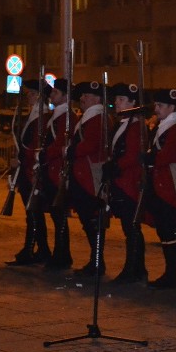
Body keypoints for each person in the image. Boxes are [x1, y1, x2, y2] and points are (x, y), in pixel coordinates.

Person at [144, 89, 176, 289]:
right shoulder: (164, 125)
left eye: (160, 106)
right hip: (160, 184)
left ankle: (172, 274)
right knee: (163, 230)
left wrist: (150, 158)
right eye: (156, 105)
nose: (156, 109)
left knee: (169, 230)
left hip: (171, 186)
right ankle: (169, 272)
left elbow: (169, 154)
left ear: (172, 107)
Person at [105, 83, 148, 284]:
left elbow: (133, 155)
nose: (116, 103)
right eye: (117, 99)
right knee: (128, 227)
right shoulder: (123, 123)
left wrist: (116, 166)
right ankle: (137, 268)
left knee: (131, 227)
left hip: (130, 182)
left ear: (133, 103)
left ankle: (133, 269)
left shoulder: (136, 125)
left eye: (121, 100)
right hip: (121, 180)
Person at [7, 79, 52, 266]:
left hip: (31, 171)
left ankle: (32, 250)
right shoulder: (34, 116)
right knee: (32, 213)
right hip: (26, 170)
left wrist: (22, 160)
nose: (28, 97)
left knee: (33, 212)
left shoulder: (42, 117)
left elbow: (36, 147)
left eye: (32, 94)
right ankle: (40, 249)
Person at [70, 81, 110, 276]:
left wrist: (71, 150)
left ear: (96, 99)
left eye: (86, 95)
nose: (82, 98)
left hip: (90, 175)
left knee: (92, 219)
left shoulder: (97, 118)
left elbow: (91, 145)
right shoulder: (88, 117)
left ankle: (97, 261)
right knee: (87, 219)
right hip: (82, 174)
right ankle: (95, 260)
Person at [41, 78, 77, 270]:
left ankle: (62, 254)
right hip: (51, 168)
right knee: (56, 214)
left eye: (56, 92)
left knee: (59, 214)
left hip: (58, 171)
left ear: (65, 96)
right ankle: (60, 252)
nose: (52, 95)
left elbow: (61, 143)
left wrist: (45, 154)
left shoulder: (67, 117)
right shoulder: (56, 115)